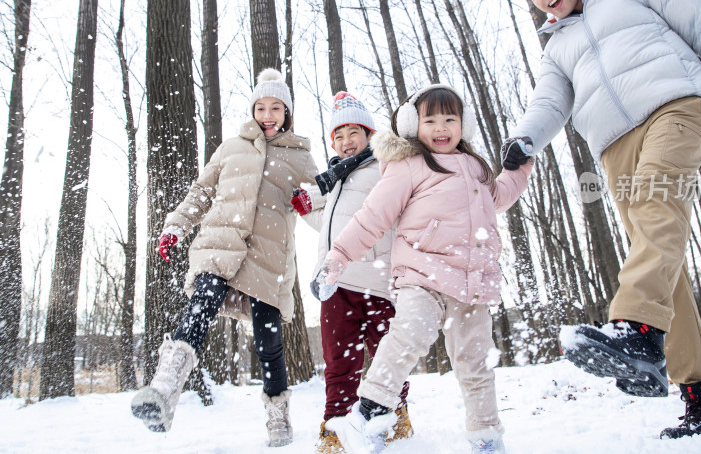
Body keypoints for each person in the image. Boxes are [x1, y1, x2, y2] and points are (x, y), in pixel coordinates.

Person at [503, 0, 701, 439]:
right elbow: (550, 101)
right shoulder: (556, 48)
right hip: (613, 146)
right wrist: (526, 137)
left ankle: (637, 330)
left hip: (672, 106)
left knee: (658, 210)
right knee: (663, 266)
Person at [315, 85, 532, 454]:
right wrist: (338, 257)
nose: (441, 127)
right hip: (422, 276)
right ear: (414, 125)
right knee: (406, 337)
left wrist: (519, 167)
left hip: (471, 285)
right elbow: (372, 218)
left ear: (465, 124)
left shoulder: (476, 166)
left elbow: (499, 198)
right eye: (430, 119)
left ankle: (486, 436)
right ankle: (367, 414)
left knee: (475, 361)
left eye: (450, 118)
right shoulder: (408, 166)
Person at [130, 68, 318, 447]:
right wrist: (175, 227)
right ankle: (164, 390)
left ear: (287, 113)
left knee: (269, 340)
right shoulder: (231, 147)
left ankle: (278, 415)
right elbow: (202, 192)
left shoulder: (300, 156)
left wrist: (312, 200)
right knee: (201, 305)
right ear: (252, 110)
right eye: (261, 107)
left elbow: (320, 201)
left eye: (276, 108)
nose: (268, 115)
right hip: (219, 243)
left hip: (268, 258)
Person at [295, 91, 412, 453]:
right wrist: (307, 210)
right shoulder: (336, 177)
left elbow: (386, 216)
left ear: (369, 134)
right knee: (338, 362)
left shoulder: (385, 167)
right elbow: (336, 224)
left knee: (387, 358)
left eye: (353, 133)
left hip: (377, 282)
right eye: (339, 136)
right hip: (335, 283)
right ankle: (335, 429)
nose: (346, 143)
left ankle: (396, 418)